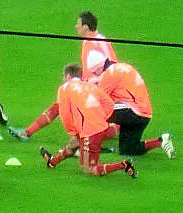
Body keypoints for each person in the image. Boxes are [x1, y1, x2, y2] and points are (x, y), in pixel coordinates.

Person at [9, 10, 116, 141]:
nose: (76, 26)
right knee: (65, 107)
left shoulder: (95, 43)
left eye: (78, 24)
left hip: (99, 88)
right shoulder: (93, 40)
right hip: (97, 86)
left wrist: (91, 87)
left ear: (86, 27)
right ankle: (28, 132)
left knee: (70, 109)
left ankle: (29, 133)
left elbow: (108, 68)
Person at [39, 64, 137, 177]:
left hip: (90, 133)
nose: (63, 79)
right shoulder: (90, 86)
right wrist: (101, 118)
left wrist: (72, 130)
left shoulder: (64, 89)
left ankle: (123, 165)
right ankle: (52, 161)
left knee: (89, 169)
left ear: (68, 76)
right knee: (73, 143)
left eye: (63, 76)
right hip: (100, 127)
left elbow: (65, 113)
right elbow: (110, 103)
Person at [97, 59, 174, 159]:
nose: (96, 75)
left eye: (95, 72)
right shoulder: (123, 67)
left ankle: (86, 145)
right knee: (128, 149)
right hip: (144, 116)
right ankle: (160, 141)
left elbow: (98, 99)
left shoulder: (110, 73)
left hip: (133, 112)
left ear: (99, 67)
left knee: (96, 111)